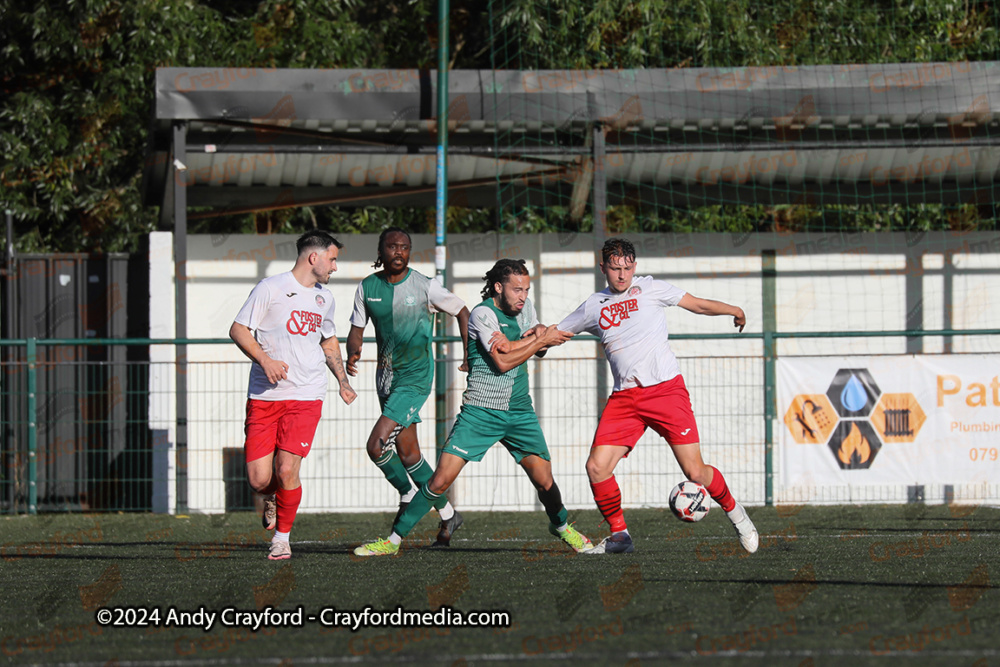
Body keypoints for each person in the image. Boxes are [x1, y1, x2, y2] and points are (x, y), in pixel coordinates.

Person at [353, 258, 594, 557]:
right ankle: (392, 541)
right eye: (517, 289)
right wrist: (536, 339)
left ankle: (561, 527)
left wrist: (538, 336)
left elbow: (537, 348)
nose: (523, 296)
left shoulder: (526, 309)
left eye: (526, 290)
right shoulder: (481, 314)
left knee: (545, 482)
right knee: (439, 480)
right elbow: (503, 361)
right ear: (497, 287)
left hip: (519, 412)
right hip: (480, 412)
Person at [557, 238, 759, 555]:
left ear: (634, 267)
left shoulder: (651, 289)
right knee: (597, 468)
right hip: (624, 400)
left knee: (695, 472)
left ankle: (739, 517)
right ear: (603, 269)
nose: (621, 275)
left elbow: (698, 304)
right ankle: (620, 536)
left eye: (627, 268)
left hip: (666, 392)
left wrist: (734, 310)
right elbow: (558, 333)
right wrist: (536, 338)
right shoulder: (594, 306)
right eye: (614, 268)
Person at [229, 230, 357, 560]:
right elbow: (238, 329)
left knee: (287, 469)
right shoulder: (270, 288)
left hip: (307, 395)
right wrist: (265, 360)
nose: (334, 267)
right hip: (265, 396)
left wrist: (342, 381)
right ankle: (271, 497)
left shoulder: (325, 298)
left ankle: (282, 539)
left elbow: (328, 341)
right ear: (313, 257)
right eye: (332, 259)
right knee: (259, 480)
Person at [345, 228, 469, 547]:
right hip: (386, 378)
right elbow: (356, 328)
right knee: (409, 453)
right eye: (392, 246)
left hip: (415, 380)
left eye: (405, 247)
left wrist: (468, 353)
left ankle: (407, 492)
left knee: (377, 446)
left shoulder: (425, 286)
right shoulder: (368, 287)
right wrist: (352, 352)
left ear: (410, 252)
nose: (398, 251)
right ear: (381, 250)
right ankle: (448, 515)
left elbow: (463, 310)